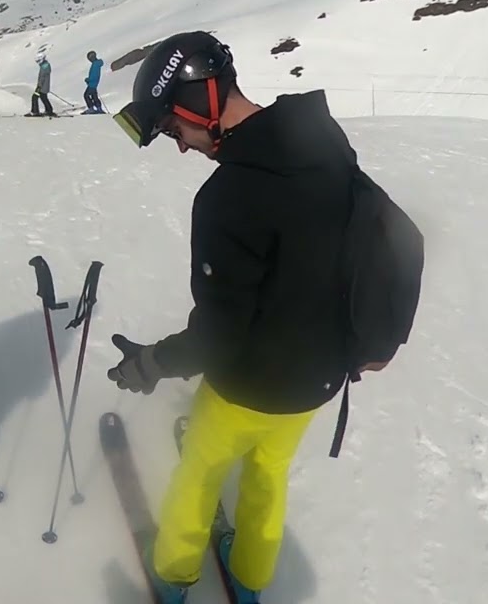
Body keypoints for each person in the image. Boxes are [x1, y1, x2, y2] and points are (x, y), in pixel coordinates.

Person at [106, 31, 393, 603]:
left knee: (199, 475)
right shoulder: (323, 140)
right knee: (267, 477)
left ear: (201, 100)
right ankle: (251, 579)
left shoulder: (228, 196)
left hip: (246, 385)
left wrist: (152, 363)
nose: (182, 146)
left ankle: (173, 574)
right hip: (318, 380)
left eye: (173, 128)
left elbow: (218, 334)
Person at [29, 50, 55, 117]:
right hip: (44, 86)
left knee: (34, 97)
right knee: (43, 98)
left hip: (42, 87)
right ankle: (49, 110)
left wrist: (39, 86)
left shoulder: (44, 67)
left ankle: (35, 111)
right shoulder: (45, 65)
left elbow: (42, 78)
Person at [83, 50, 105, 114]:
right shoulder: (97, 64)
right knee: (94, 95)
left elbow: (94, 75)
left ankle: (91, 108)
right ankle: (99, 108)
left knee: (86, 95)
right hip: (94, 83)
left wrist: (88, 80)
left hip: (92, 84)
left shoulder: (95, 64)